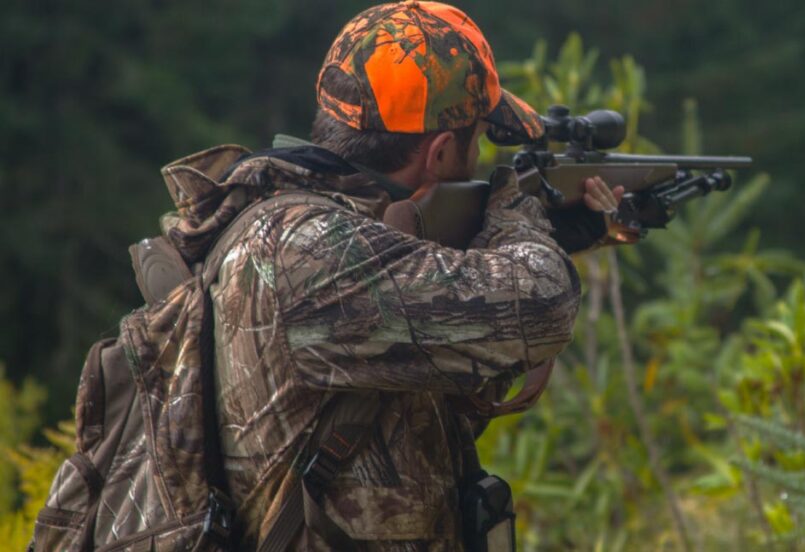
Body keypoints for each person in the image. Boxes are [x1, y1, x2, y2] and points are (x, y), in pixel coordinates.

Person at [160, 1, 621, 549]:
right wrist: (518, 218)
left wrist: (553, 236)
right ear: (442, 151)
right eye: (478, 141)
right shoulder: (309, 251)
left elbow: (422, 409)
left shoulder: (306, 228)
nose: (479, 158)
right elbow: (540, 307)